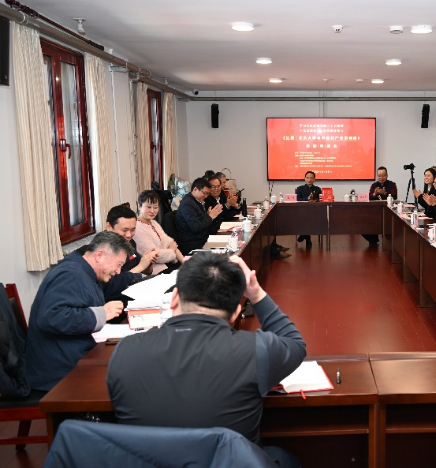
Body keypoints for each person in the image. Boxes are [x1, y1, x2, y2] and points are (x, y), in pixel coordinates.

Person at [107, 253, 306, 468]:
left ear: (174, 298)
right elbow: (295, 344)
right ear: (235, 313)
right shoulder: (256, 350)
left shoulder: (125, 351)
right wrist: (256, 294)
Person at [26, 232, 132, 391]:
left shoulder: (87, 272)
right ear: (99, 255)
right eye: (118, 264)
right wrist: (102, 313)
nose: (118, 271)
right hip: (59, 371)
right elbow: (52, 317)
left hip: (75, 355)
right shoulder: (70, 274)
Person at [134, 190, 185, 274]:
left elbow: (171, 243)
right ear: (139, 206)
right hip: (155, 271)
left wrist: (184, 262)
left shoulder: (153, 223)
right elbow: (156, 256)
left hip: (168, 264)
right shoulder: (137, 227)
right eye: (148, 207)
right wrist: (171, 251)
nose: (152, 211)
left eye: (155, 207)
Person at [176, 177, 222, 254]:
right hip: (193, 245)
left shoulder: (196, 201)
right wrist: (210, 217)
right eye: (205, 193)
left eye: (207, 194)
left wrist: (208, 216)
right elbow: (196, 227)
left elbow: (201, 222)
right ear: (195, 189)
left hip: (201, 240)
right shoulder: (187, 204)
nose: (206, 196)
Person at [295, 171, 322, 248]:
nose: (309, 180)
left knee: (309, 218)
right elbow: (297, 199)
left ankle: (304, 235)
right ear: (305, 178)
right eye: (307, 178)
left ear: (314, 179)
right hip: (302, 211)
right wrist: (307, 199)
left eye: (311, 178)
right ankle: (307, 238)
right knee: (306, 217)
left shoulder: (317, 189)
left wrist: (314, 200)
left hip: (314, 211)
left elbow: (320, 199)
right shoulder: (300, 188)